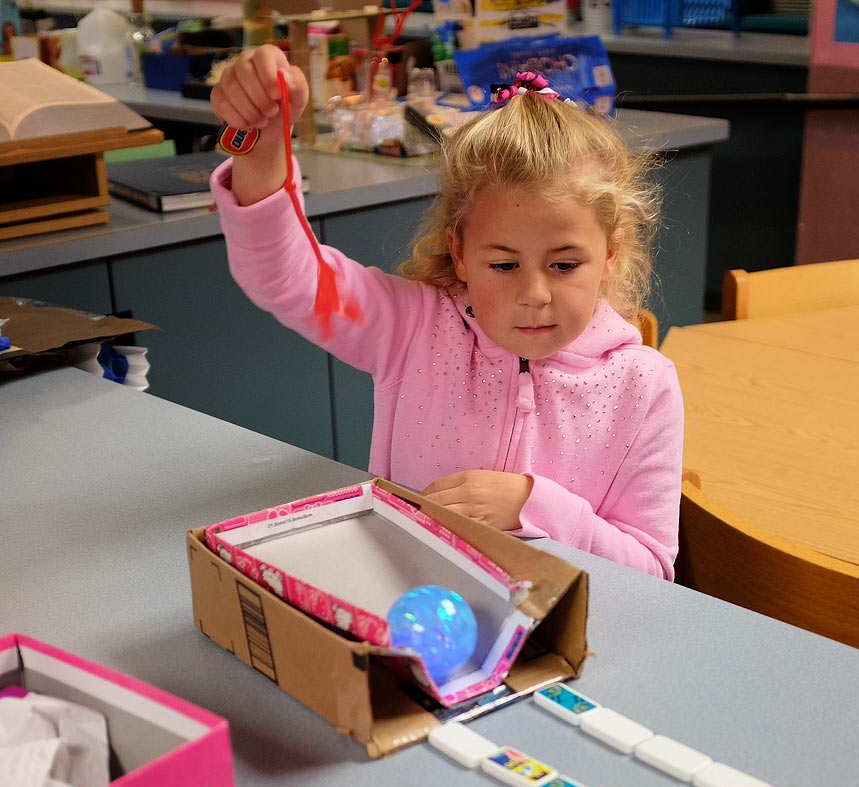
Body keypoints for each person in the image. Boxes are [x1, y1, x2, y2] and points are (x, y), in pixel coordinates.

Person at [209, 46, 684, 578]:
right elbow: (285, 277)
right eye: (503, 265)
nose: (534, 293)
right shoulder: (413, 328)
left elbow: (652, 571)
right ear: (459, 252)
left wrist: (535, 507)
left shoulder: (646, 385)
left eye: (565, 264)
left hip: (568, 642)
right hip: (409, 613)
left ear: (611, 254)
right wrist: (262, 146)